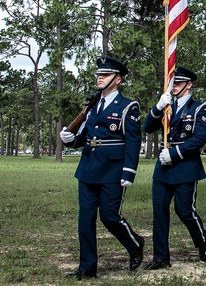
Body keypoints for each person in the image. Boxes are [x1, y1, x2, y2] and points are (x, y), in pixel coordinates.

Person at [59, 56, 145, 279]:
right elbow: (85, 136)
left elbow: (133, 141)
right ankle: (87, 268)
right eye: (98, 75)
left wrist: (129, 171)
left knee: (109, 217)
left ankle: (135, 244)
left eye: (105, 75)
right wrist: (70, 139)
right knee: (85, 219)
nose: (99, 78)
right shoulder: (92, 105)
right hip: (88, 167)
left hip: (113, 170)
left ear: (117, 80)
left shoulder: (128, 107)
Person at [140, 66, 206, 270]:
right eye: (173, 83)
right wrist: (157, 107)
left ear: (189, 85)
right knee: (159, 211)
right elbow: (147, 127)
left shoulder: (199, 108)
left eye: (178, 83)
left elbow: (199, 138)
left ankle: (202, 239)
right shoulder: (167, 106)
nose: (174, 87)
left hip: (185, 166)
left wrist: (174, 153)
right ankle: (161, 256)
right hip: (163, 167)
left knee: (185, 211)